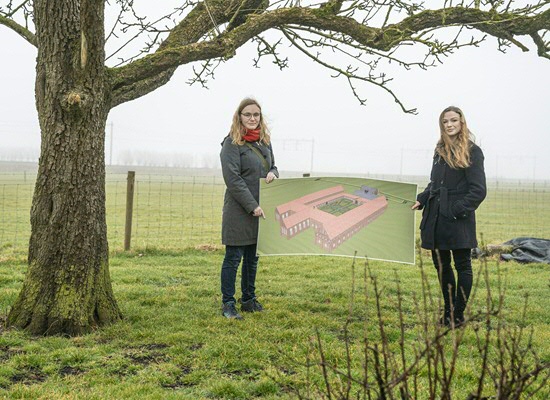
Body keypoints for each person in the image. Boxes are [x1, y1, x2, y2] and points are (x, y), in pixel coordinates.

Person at [412, 106, 486, 327]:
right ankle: (448, 312)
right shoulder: (439, 150)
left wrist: (455, 210)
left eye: (454, 120)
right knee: (441, 265)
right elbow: (434, 184)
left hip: (458, 217)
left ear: (462, 122)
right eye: (445, 122)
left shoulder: (473, 151)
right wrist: (423, 198)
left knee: (462, 265)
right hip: (435, 218)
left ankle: (459, 314)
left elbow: (478, 191)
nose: (449, 125)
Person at [219, 98, 278, 319]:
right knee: (233, 258)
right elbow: (233, 179)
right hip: (239, 210)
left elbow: (272, 166)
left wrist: (274, 172)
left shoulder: (265, 142)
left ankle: (249, 300)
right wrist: (251, 206)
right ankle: (228, 304)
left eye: (256, 115)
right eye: (248, 114)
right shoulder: (231, 144)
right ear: (239, 117)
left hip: (261, 210)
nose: (252, 118)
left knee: (252, 258)